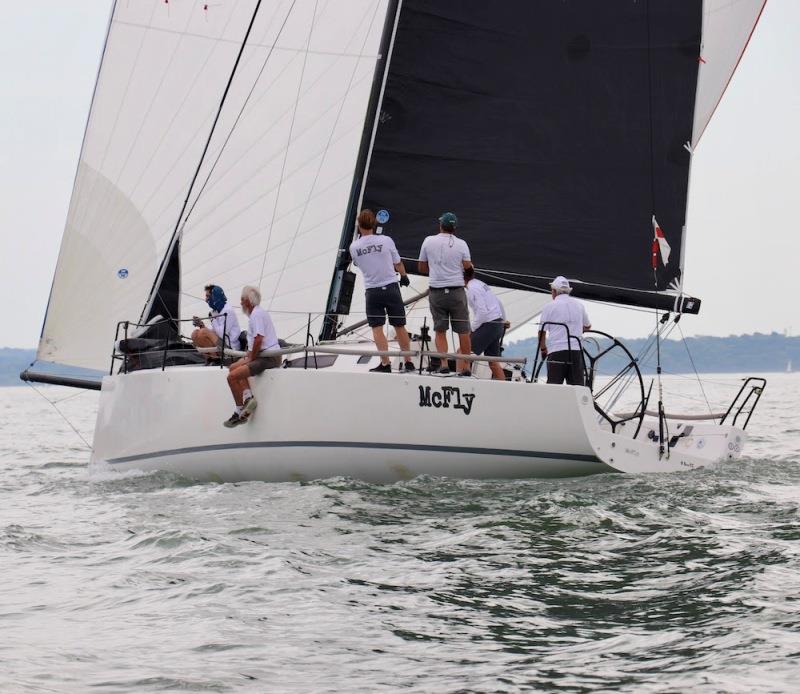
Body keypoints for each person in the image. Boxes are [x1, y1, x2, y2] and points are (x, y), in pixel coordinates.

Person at [349, 209, 415, 373]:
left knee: (377, 328)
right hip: (391, 288)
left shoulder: (354, 247)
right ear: (374, 223)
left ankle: (385, 364)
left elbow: (357, 264)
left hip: (373, 292)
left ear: (359, 225)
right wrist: (404, 276)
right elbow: (398, 263)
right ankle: (408, 362)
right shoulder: (386, 240)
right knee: (399, 326)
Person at [418, 212, 473, 375]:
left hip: (437, 291)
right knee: (463, 330)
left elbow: (421, 267)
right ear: (454, 228)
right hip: (457, 291)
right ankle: (467, 367)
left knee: (440, 330)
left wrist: (435, 270)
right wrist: (464, 279)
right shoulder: (462, 244)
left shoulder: (428, 241)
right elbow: (468, 266)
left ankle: (443, 364)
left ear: (440, 225)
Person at [223, 285, 281, 427]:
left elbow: (259, 338)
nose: (241, 302)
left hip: (269, 358)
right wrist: (249, 356)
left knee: (232, 377)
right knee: (232, 367)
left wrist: (250, 358)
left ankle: (239, 412)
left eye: (242, 299)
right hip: (262, 356)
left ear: (248, 301)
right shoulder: (256, 313)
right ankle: (249, 398)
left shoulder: (257, 314)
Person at [538, 276, 591, 386]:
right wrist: (575, 329)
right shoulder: (579, 305)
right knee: (577, 387)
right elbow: (587, 326)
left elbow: (541, 332)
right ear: (568, 291)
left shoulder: (549, 306)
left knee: (554, 387)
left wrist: (543, 349)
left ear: (554, 291)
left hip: (556, 352)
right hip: (575, 352)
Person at [464, 267, 508, 380]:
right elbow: (497, 301)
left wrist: (472, 330)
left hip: (489, 324)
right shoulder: (480, 284)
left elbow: (482, 313)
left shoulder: (472, 289)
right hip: (497, 323)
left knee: (463, 351)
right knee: (493, 362)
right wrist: (503, 320)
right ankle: (505, 388)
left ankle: (459, 383)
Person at [191, 284, 242, 362]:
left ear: (214, 297)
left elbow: (222, 334)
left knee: (203, 332)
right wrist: (202, 325)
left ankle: (216, 360)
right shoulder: (215, 311)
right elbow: (213, 331)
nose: (206, 300)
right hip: (221, 345)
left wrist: (212, 319)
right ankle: (209, 359)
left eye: (208, 296)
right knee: (195, 334)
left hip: (231, 349)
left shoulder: (228, 311)